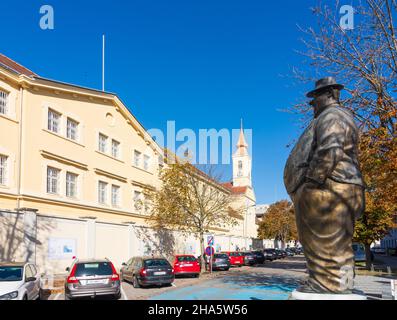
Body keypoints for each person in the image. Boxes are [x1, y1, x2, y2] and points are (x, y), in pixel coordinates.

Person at [284, 77, 365, 294]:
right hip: (334, 187)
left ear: (329, 94)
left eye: (315, 100)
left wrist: (311, 182)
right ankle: (339, 284)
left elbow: (331, 149)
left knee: (326, 241)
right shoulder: (336, 116)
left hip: (329, 189)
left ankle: (326, 285)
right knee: (335, 244)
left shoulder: (333, 116)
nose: (313, 105)